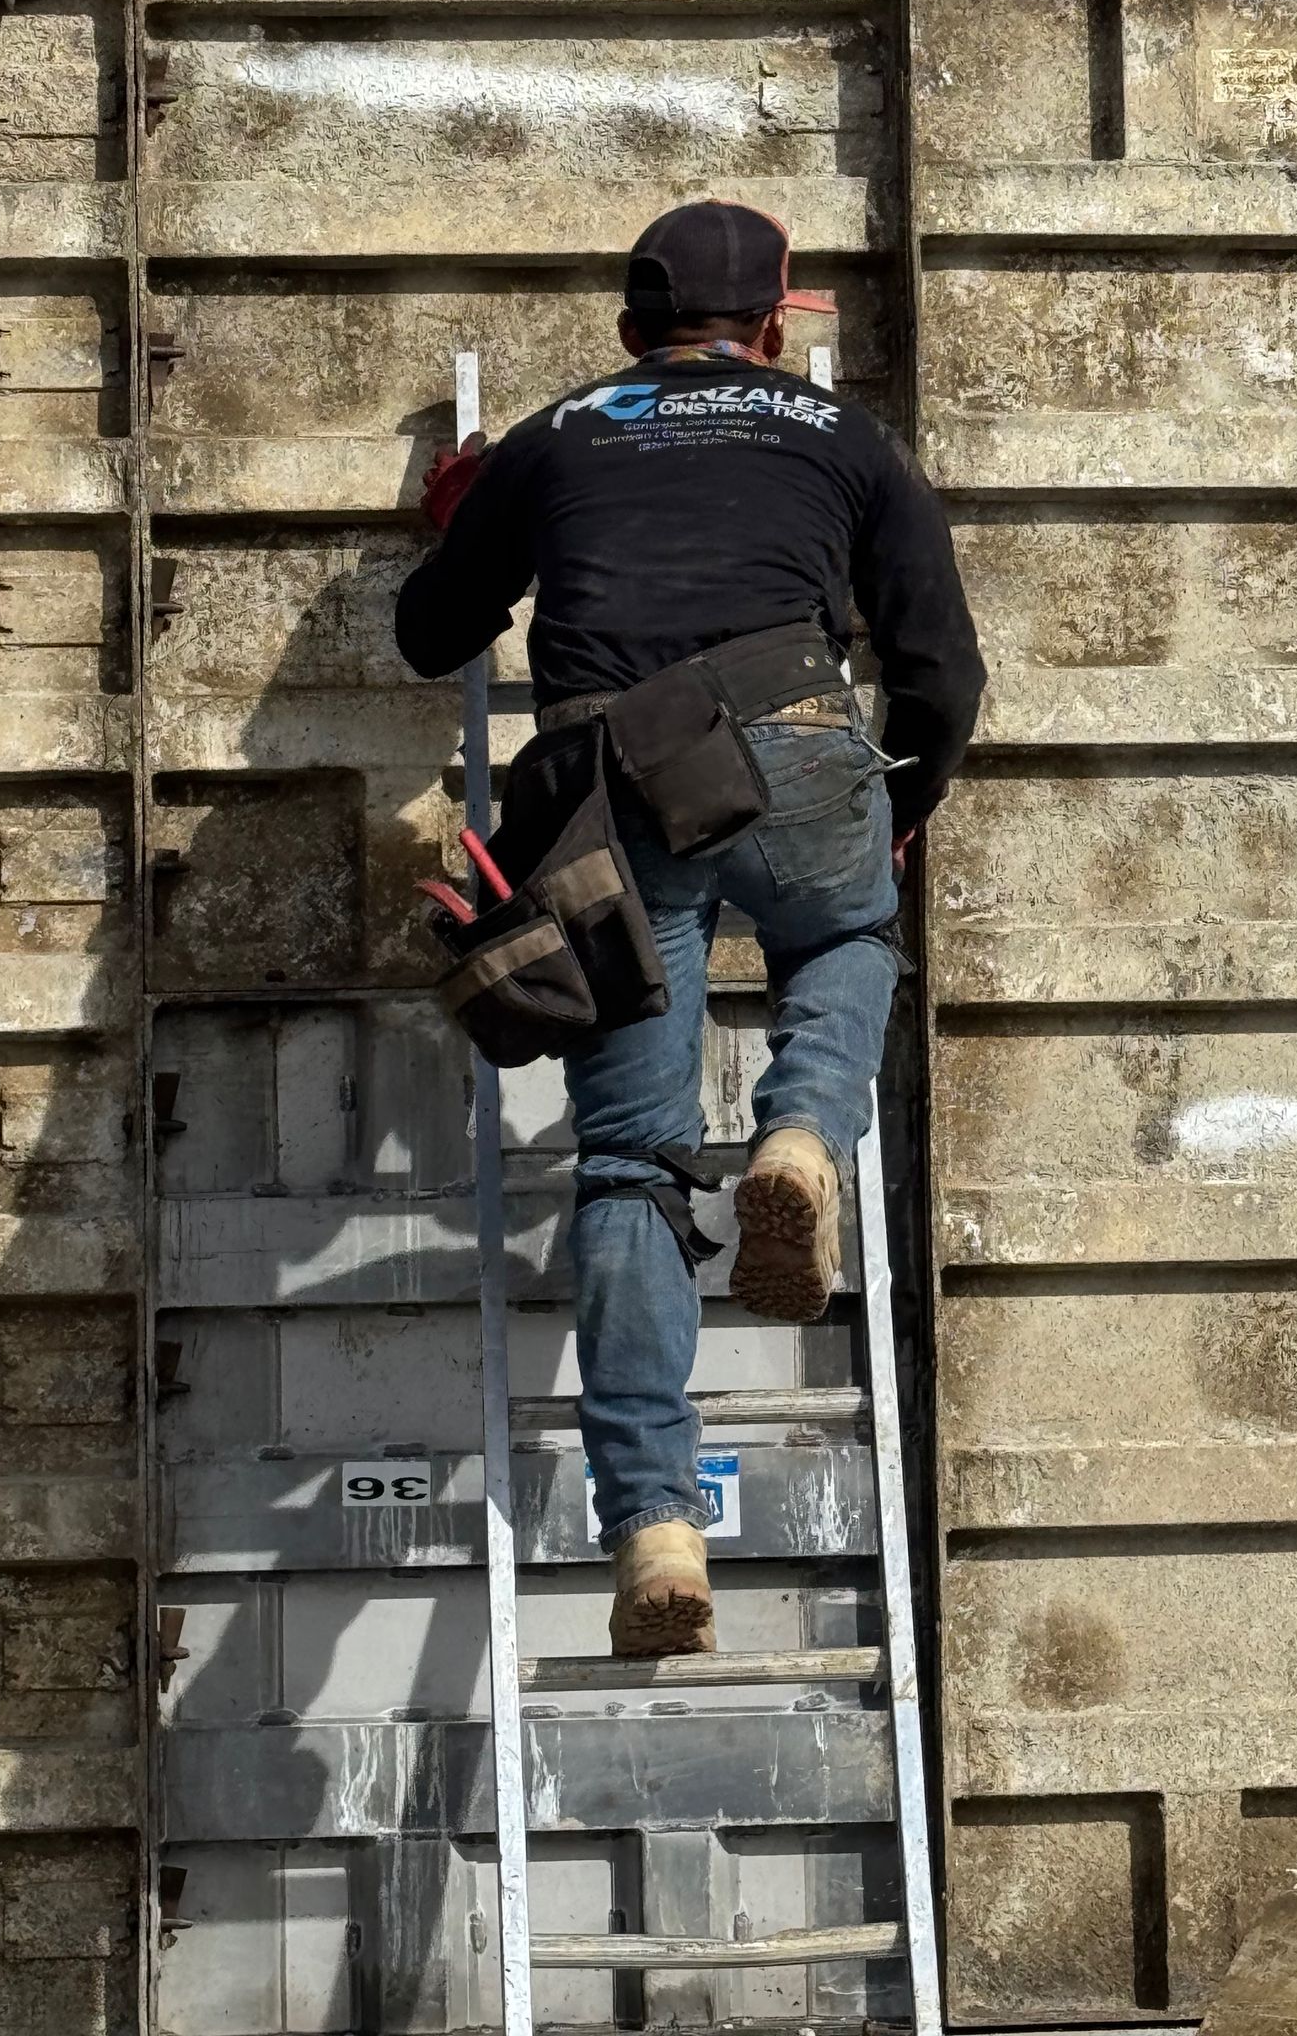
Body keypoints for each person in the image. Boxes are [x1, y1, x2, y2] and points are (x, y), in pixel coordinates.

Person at [394, 199, 984, 1656]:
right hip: (791, 738)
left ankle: (656, 1526)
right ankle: (798, 1135)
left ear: (627, 331)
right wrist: (900, 801)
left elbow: (430, 637)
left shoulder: (556, 435)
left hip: (599, 790)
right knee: (849, 939)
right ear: (779, 328)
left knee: (625, 1163)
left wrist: (471, 512)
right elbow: (942, 671)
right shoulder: (844, 441)